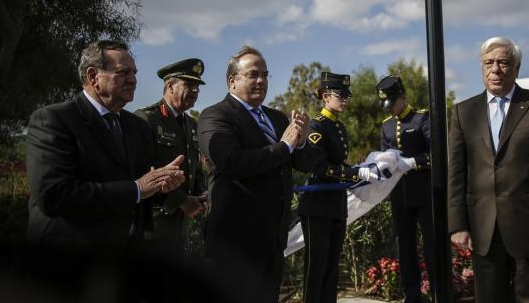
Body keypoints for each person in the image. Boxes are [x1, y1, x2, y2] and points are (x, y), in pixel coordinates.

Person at [26, 39, 185, 249]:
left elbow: (141, 189)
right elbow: (53, 195)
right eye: (123, 72)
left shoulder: (137, 126)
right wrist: (137, 188)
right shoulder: (54, 120)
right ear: (93, 76)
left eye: (134, 73)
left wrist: (162, 186)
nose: (133, 80)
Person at [448, 36, 529, 303]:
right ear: (481, 67)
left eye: (503, 62)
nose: (495, 69)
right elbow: (456, 174)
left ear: (517, 68)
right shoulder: (462, 112)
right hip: (483, 229)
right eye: (489, 62)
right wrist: (457, 225)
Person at [197, 46, 313, 303]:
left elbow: (301, 164)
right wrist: (285, 146)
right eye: (252, 74)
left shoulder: (276, 117)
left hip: (272, 240)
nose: (261, 80)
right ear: (232, 80)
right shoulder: (215, 116)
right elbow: (232, 162)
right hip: (235, 243)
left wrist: (301, 141)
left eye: (265, 74)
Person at [298, 72, 380, 303]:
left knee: (332, 268)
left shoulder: (339, 127)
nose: (345, 99)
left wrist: (362, 172)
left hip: (335, 203)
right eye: (340, 95)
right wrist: (354, 172)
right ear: (325, 96)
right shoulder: (317, 126)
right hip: (317, 207)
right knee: (316, 269)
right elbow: (320, 167)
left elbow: (340, 164)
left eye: (347, 95)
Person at [135, 58, 208, 259]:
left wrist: (202, 193)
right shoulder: (146, 119)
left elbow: (197, 168)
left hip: (181, 225)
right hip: (154, 222)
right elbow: (141, 171)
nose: (195, 91)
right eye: (189, 84)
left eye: (197, 86)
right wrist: (181, 200)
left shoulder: (191, 124)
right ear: (170, 86)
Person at [377, 75, 434, 303]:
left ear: (402, 97)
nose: (389, 109)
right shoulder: (386, 126)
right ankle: (412, 297)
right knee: (405, 250)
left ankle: (439, 294)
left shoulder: (422, 119)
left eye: (392, 103)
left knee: (432, 247)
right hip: (399, 196)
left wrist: (413, 162)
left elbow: (438, 154)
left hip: (424, 194)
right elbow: (384, 156)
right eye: (386, 105)